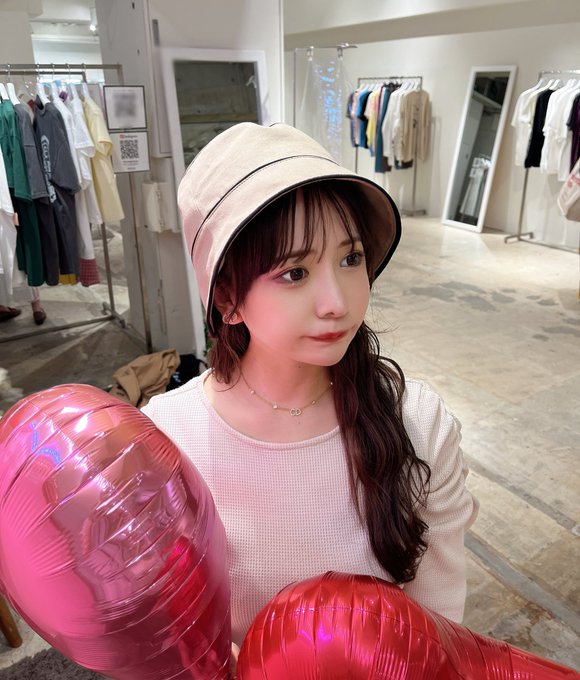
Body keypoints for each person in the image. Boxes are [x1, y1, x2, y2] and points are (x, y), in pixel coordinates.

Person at [142, 122, 478, 653]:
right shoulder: (168, 440)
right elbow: (170, 632)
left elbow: (439, 628)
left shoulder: (417, 422)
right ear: (227, 297)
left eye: (350, 259)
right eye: (294, 272)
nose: (337, 303)